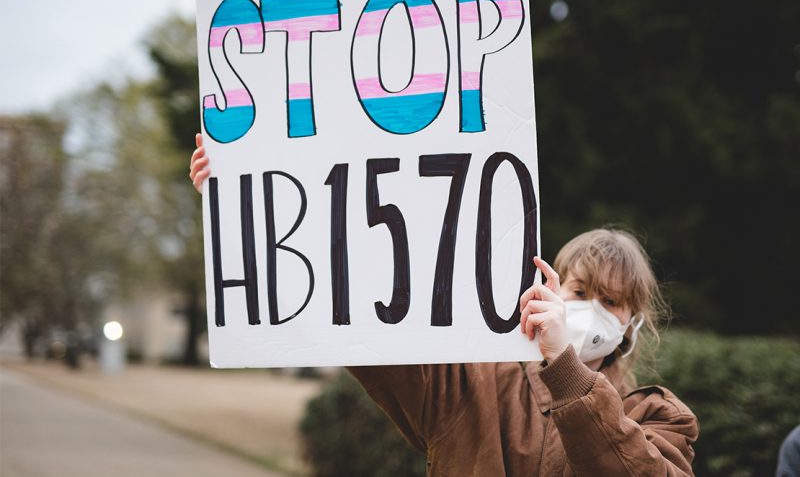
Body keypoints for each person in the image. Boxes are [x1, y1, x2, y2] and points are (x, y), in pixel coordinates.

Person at [190, 134, 699, 475]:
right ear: (551, 286)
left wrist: (565, 370)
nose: (591, 309)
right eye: (580, 292)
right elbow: (366, 325)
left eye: (611, 301)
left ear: (632, 323)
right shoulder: (473, 379)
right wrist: (236, 199)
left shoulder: (660, 417)